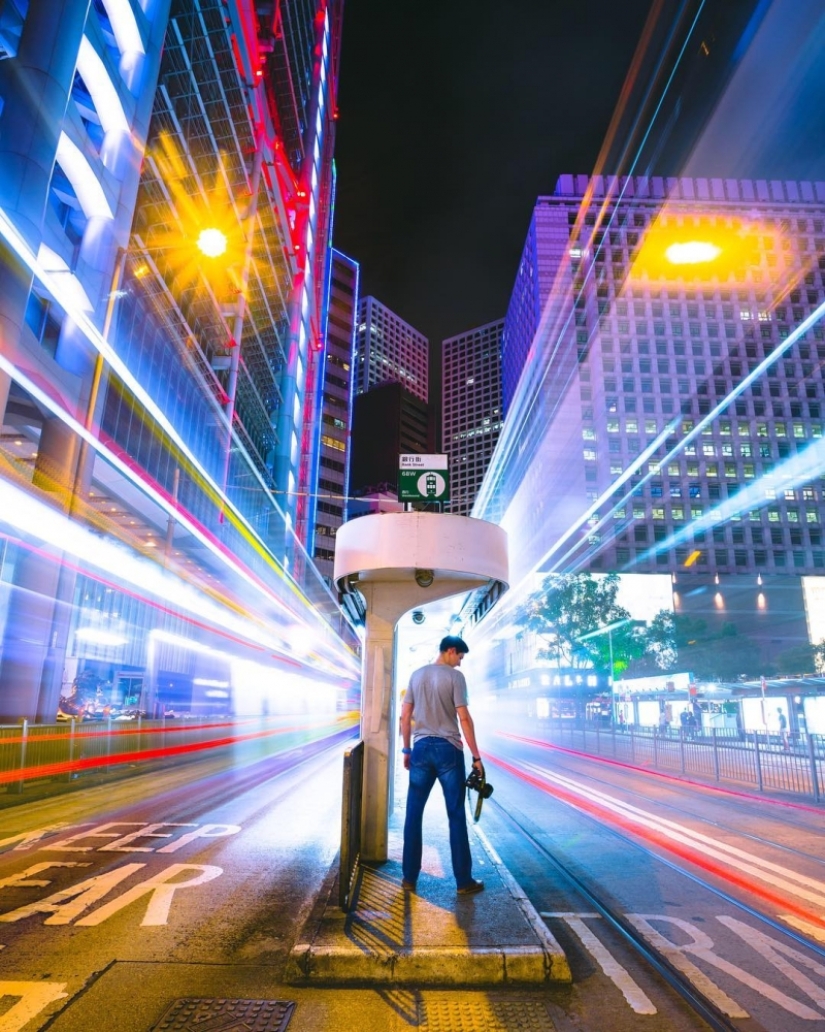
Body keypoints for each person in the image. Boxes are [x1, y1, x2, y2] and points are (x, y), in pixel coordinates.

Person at [400, 635, 485, 896]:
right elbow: (464, 718)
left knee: (413, 815)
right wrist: (476, 756)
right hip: (449, 751)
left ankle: (409, 878)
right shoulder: (455, 678)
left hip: (422, 750)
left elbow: (405, 716)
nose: (459, 663)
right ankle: (463, 881)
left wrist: (407, 749)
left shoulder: (416, 675)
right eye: (459, 656)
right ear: (450, 651)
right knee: (456, 815)